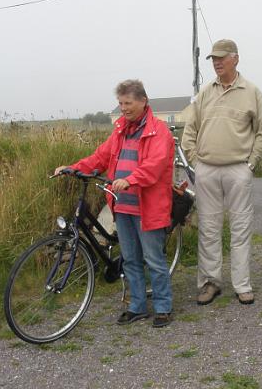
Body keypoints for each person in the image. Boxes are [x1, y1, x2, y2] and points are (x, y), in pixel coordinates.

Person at [56, 80, 175, 327]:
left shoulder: (159, 132)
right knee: (130, 259)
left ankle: (163, 307)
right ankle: (137, 306)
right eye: (120, 103)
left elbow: (154, 166)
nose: (123, 108)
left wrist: (130, 179)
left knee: (154, 259)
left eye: (128, 103)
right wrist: (74, 167)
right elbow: (100, 157)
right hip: (122, 206)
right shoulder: (121, 130)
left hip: (147, 207)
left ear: (143, 101)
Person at [181, 39, 262, 306]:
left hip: (238, 168)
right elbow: (189, 132)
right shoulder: (205, 93)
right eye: (213, 59)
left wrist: (251, 164)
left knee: (240, 228)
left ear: (236, 59)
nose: (217, 62)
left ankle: (242, 285)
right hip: (207, 169)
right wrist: (196, 162)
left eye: (222, 57)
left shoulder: (251, 91)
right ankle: (210, 283)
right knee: (208, 228)